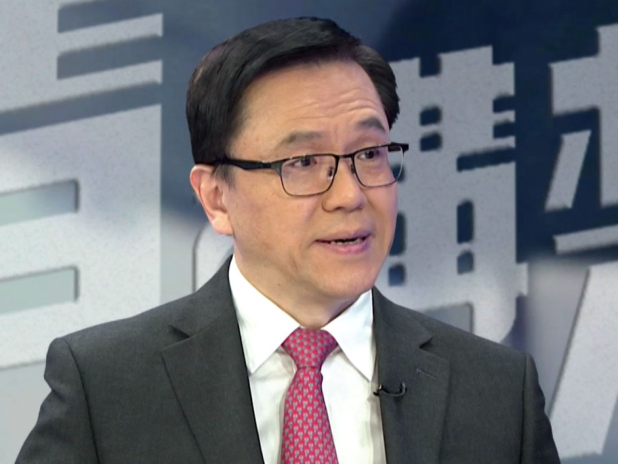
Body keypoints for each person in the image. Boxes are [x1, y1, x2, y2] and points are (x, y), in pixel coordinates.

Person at [16, 17, 560, 464]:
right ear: (216, 197)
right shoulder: (105, 387)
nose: (349, 195)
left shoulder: (497, 391)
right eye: (303, 162)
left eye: (370, 154)